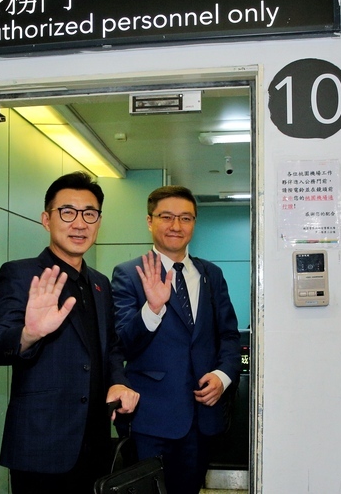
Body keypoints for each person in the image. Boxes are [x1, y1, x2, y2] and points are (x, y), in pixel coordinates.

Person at [0, 171, 140, 494]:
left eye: (90, 214)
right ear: (46, 219)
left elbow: (110, 348)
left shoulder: (100, 283)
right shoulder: (21, 274)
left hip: (95, 445)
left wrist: (118, 382)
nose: (79, 223)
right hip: (41, 448)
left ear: (98, 221)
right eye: (67, 212)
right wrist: (29, 333)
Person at [111, 185, 241, 494]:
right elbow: (122, 343)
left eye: (185, 218)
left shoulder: (212, 275)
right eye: (166, 216)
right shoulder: (130, 274)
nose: (176, 226)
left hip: (202, 419)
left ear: (194, 223)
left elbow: (229, 336)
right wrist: (152, 308)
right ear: (149, 221)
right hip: (151, 421)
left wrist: (223, 376)